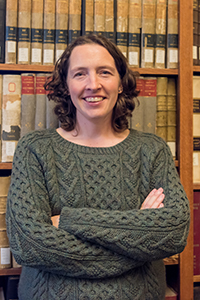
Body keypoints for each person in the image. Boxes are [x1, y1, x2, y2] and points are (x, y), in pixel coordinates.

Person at [6, 34, 190, 300]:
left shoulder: (152, 149)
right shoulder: (35, 149)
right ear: (66, 86)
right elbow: (30, 244)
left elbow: (173, 232)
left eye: (104, 72)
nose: (93, 84)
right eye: (80, 74)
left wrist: (70, 220)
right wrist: (138, 235)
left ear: (120, 83)